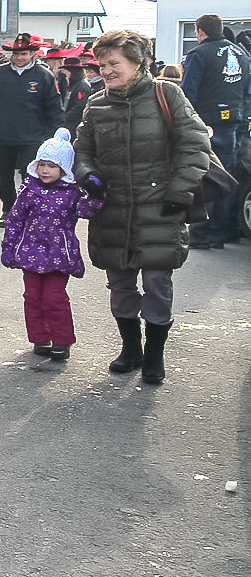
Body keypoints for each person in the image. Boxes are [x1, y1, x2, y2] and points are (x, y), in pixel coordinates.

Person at [75, 29, 210, 384]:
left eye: (113, 63)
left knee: (157, 283)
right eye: (102, 65)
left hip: (161, 208)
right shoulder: (97, 104)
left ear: (138, 62)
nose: (106, 71)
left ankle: (154, 355)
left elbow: (195, 145)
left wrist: (179, 190)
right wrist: (87, 174)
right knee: (120, 283)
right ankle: (131, 348)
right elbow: (83, 150)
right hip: (113, 210)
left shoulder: (167, 94)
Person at [0, 128, 104, 361]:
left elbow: (86, 211)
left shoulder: (72, 193)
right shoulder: (28, 190)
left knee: (54, 298)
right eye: (42, 165)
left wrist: (96, 195)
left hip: (59, 255)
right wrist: (9, 247)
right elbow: (15, 220)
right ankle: (40, 338)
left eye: (52, 166)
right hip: (30, 254)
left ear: (64, 169)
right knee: (32, 297)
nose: (45, 170)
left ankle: (61, 340)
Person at [0, 33, 65, 227]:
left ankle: (29, 209)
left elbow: (53, 107)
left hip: (32, 136)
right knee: (4, 175)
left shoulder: (43, 75)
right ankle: (8, 209)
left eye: (23, 54)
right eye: (16, 54)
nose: (19, 57)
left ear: (32, 54)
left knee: (29, 174)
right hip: (3, 134)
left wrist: (56, 133)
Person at [181, 13, 250, 248]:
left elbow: (188, 93)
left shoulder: (199, 54)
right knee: (228, 175)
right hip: (234, 121)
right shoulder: (241, 53)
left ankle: (201, 232)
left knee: (205, 175)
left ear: (200, 31)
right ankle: (223, 231)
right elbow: (247, 91)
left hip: (206, 122)